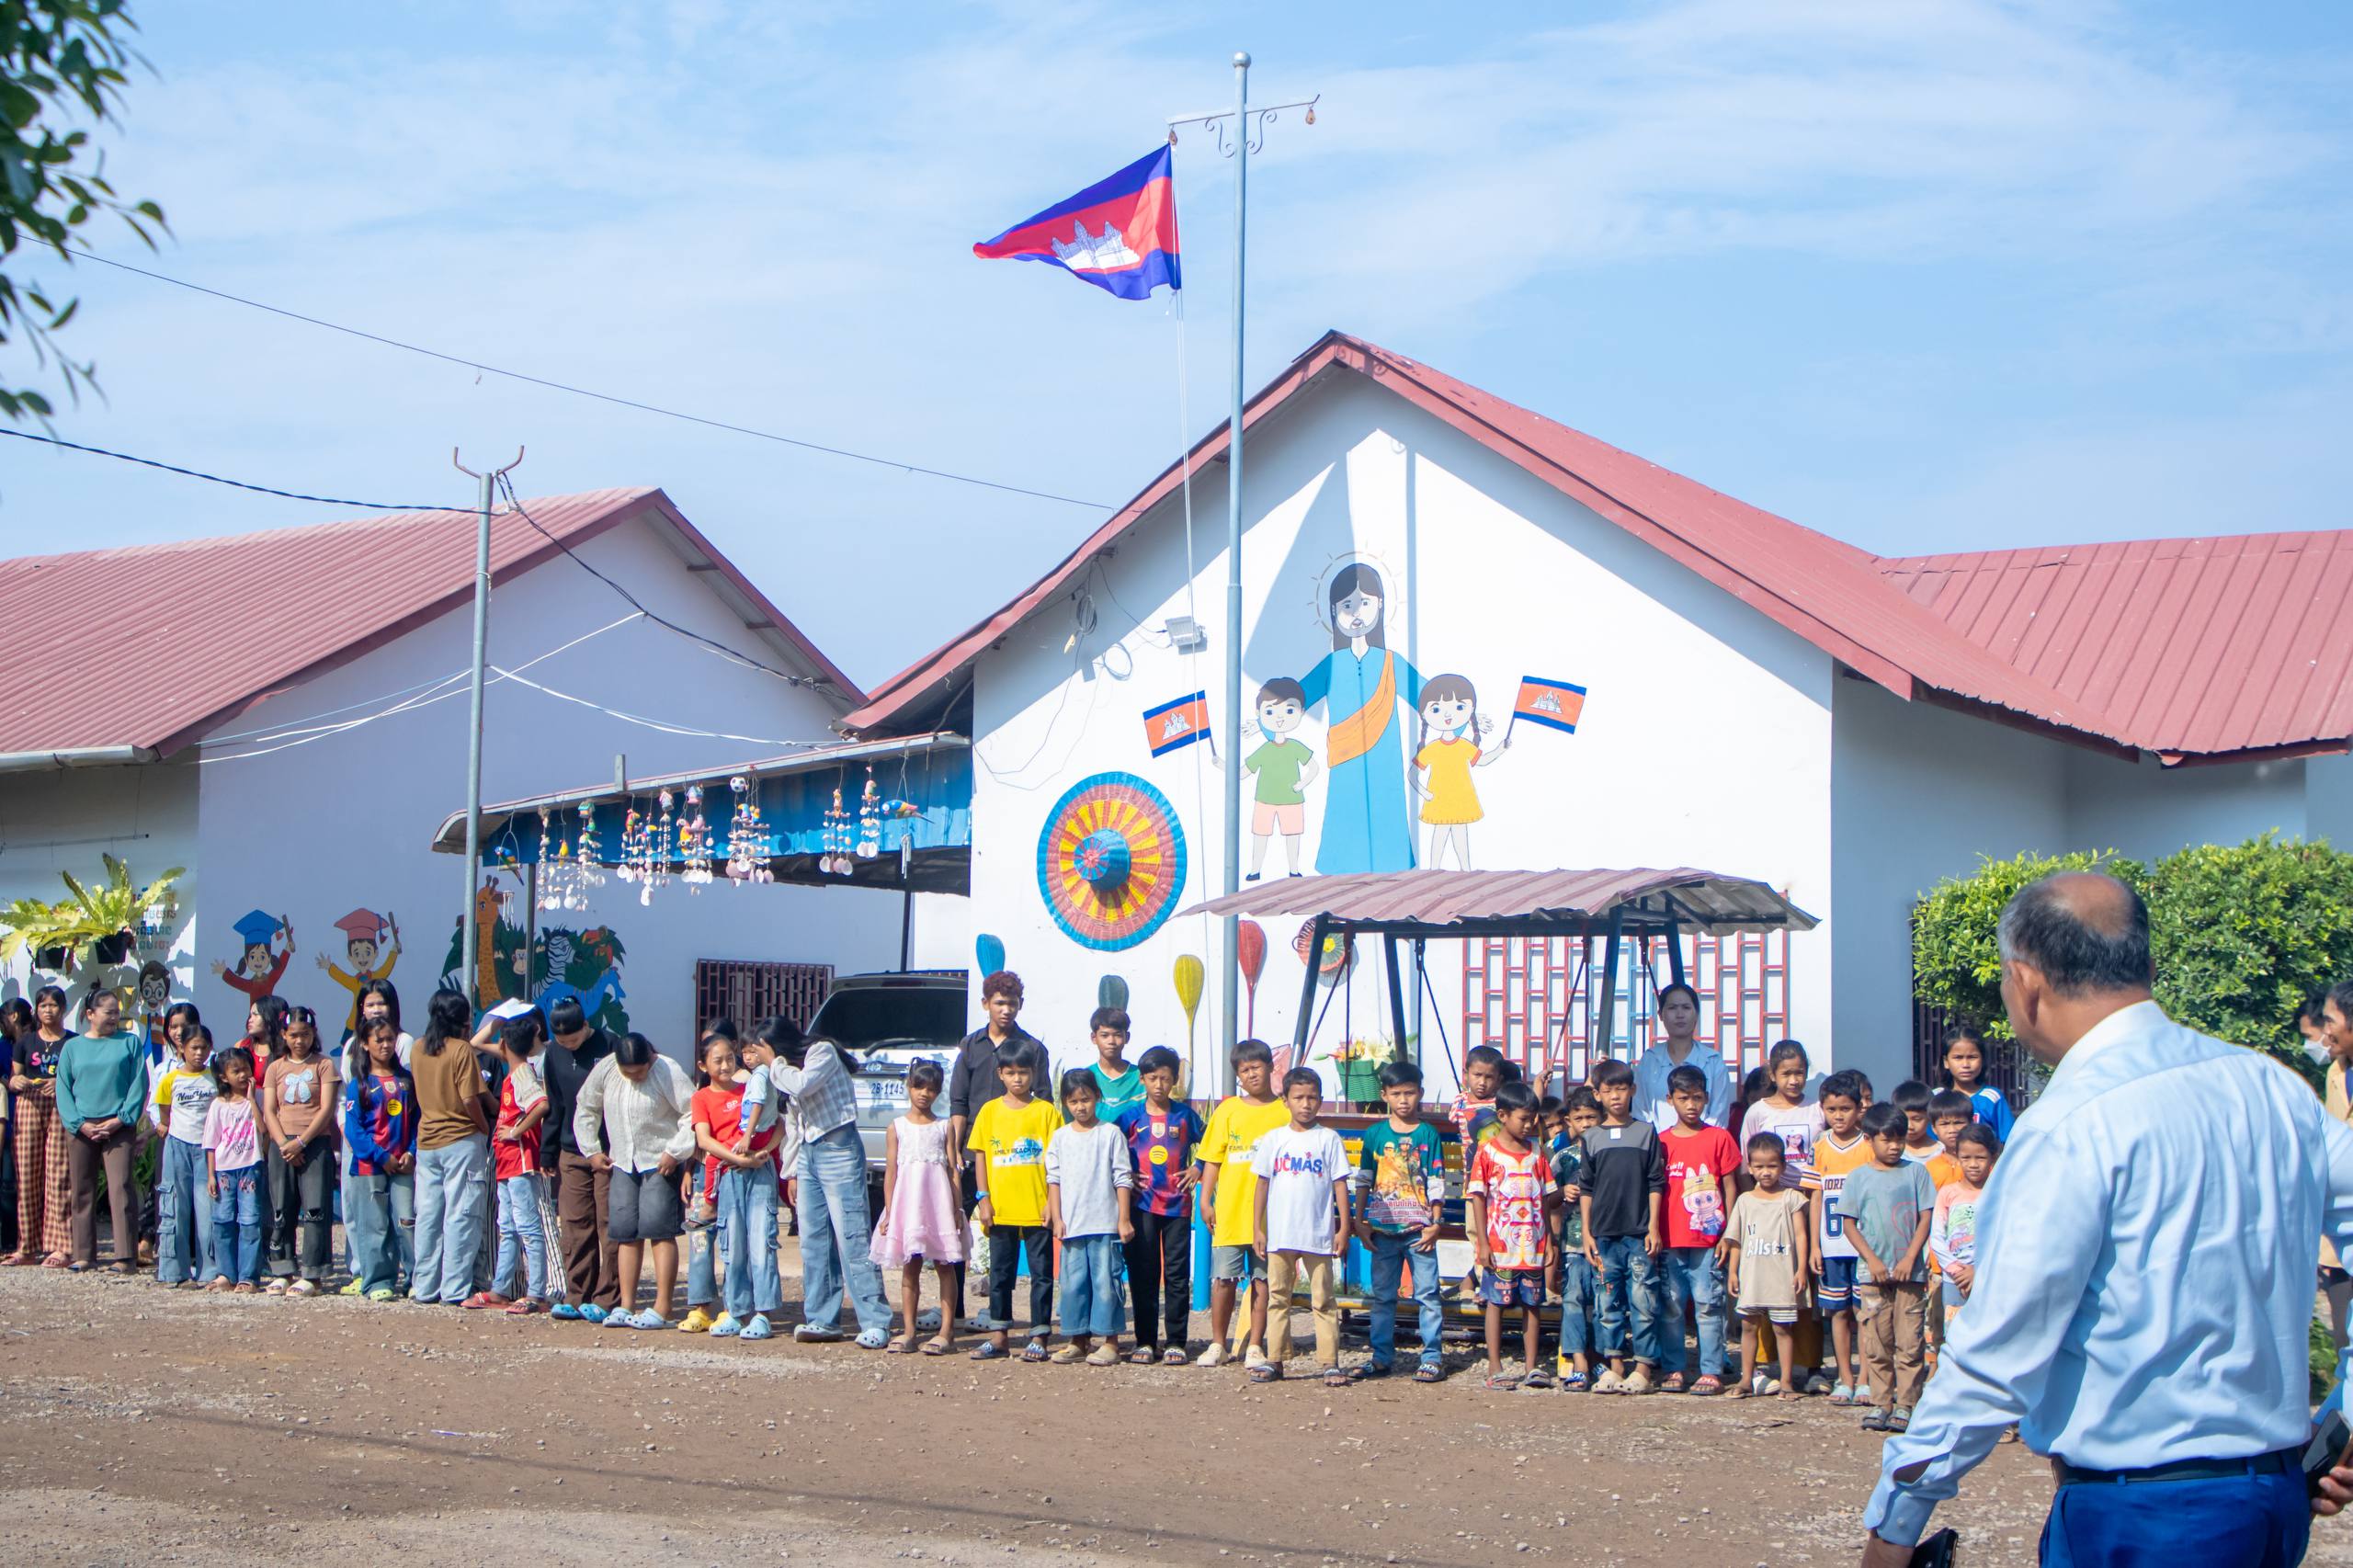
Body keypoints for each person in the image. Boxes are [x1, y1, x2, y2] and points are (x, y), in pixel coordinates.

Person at [1863, 871, 2353, 1567]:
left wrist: (1896, 1522)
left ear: (2024, 983)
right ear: (2146, 967)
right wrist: (2345, 1414)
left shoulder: (2069, 1125)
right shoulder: (2274, 1087)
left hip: (2141, 1513)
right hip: (2272, 1498)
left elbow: (1996, 1353)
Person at [767, 1023, 892, 1348]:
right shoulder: (786, 1072)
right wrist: (791, 1173)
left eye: (761, 1048)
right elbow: (794, 1126)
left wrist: (774, 1063)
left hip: (839, 1148)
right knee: (813, 1241)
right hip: (808, 1154)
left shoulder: (820, 1052)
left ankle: (875, 1321)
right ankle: (822, 1320)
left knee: (852, 1236)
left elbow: (804, 1085)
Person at [574, 1031, 695, 1330]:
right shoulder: (606, 1069)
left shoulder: (667, 1069)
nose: (634, 1077)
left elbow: (692, 1113)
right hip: (622, 1162)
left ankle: (663, 1307)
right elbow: (586, 1107)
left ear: (650, 1059)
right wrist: (591, 1150)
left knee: (660, 1231)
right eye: (627, 1072)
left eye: (639, 1072)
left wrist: (675, 1151)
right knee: (625, 1233)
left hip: (659, 1162)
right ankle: (626, 1305)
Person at [946, 971, 1046, 1327]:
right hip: (973, 1155)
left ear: (1021, 1005)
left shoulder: (1033, 1049)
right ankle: (953, 1310)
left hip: (1017, 1162)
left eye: (1012, 1003)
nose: (1006, 1009)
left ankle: (1009, 1317)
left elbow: (1043, 1103)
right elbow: (959, 1103)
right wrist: (954, 1154)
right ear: (985, 1004)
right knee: (957, 1228)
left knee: (1014, 1242)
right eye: (1000, 1003)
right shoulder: (970, 1046)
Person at [1248, 1066, 1354, 1386]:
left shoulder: (1328, 1139)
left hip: (1318, 1235)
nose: (1305, 1104)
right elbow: (1262, 1185)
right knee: (1278, 1297)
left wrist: (1343, 1227)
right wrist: (1257, 1228)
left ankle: (1330, 1362)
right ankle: (1276, 1359)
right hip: (1281, 1235)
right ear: (1286, 1100)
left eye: (1312, 1098)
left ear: (1320, 1100)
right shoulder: (1274, 1139)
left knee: (1323, 1300)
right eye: (1298, 1097)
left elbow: (1340, 1185)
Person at [967, 1039, 1062, 1361]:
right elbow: (981, 1155)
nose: (1018, 1079)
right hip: (1001, 1209)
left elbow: (1056, 1161)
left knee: (1041, 1274)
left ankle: (1039, 1335)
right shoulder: (989, 1111)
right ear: (1000, 1074)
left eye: (1024, 1072)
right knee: (1000, 1274)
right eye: (1011, 1072)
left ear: (1033, 1073)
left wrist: (1052, 1202)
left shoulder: (1046, 1112)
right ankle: (999, 1335)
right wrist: (983, 1199)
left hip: (1038, 1209)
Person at [1842, 1103, 1934, 1434]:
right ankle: (1881, 1403)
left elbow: (1926, 1217)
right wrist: (1873, 1260)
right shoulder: (1858, 1177)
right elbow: (1849, 1224)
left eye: (1900, 1139)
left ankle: (1907, 1404)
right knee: (1876, 1342)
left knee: (1910, 1343)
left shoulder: (1916, 1173)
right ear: (1869, 1139)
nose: (1895, 1146)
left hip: (1911, 1275)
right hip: (1873, 1276)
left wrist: (1910, 1258)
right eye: (1887, 1140)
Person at [1197, 1038, 1288, 1368]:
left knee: (1263, 1280)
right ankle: (1218, 1344)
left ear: (1270, 1067)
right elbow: (1212, 1159)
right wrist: (1205, 1200)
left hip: (1270, 1217)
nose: (1251, 1074)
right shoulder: (1227, 1110)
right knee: (1224, 1280)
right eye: (1244, 1070)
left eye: (1256, 1067)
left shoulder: (1284, 1111)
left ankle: (1255, 1345)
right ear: (1238, 1075)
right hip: (1231, 1212)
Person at [1355, 1058, 1447, 1383]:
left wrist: (1436, 1222)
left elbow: (1436, 1179)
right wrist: (1359, 1220)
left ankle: (1432, 1357)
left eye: (1409, 1093)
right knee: (1383, 1296)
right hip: (1382, 1229)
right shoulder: (1375, 1134)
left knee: (1428, 1295)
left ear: (1420, 1093)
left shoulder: (1428, 1134)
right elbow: (1364, 1179)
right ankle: (1381, 1357)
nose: (1404, 1100)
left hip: (1420, 1230)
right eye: (1396, 1094)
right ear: (1384, 1095)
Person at [1113, 1045, 1203, 1366]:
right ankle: (1145, 1341)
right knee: (1144, 1274)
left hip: (1178, 1206)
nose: (1159, 1085)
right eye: (1153, 1078)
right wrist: (1126, 1174)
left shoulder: (1186, 1116)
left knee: (1177, 1275)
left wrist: (1198, 1168)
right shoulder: (1128, 1118)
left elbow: (1211, 1144)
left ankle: (1176, 1341)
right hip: (1142, 1206)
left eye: (1165, 1079)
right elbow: (1111, 1151)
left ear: (1175, 1080)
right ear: (1142, 1079)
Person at [1579, 1057, 1665, 1393]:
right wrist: (1587, 1233)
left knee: (1643, 1300)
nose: (1615, 1096)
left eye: (1621, 1088)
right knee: (1607, 1303)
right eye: (1608, 1090)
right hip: (1604, 1235)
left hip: (1639, 1233)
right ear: (1597, 1094)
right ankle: (1614, 1366)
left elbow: (1656, 1182)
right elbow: (1586, 1188)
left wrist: (1654, 1227)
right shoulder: (1591, 1137)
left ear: (1633, 1090)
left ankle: (1643, 1368)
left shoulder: (1646, 1133)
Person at [689, 1031, 781, 1339]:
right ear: (703, 1066)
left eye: (730, 1058)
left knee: (762, 1242)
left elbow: (778, 1124)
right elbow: (704, 1141)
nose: (726, 1065)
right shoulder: (701, 1098)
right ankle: (737, 1311)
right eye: (718, 1060)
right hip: (728, 1175)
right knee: (734, 1246)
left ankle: (763, 1314)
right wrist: (740, 1159)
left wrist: (764, 1151)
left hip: (760, 1173)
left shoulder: (750, 1087)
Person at [1466, 1078, 1556, 1390]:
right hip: (1499, 1244)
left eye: (1533, 1119)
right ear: (1503, 1115)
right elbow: (1478, 1197)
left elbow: (1545, 1197)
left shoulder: (1537, 1153)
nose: (1530, 1125)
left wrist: (1549, 1240)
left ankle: (1532, 1367)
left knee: (1533, 1303)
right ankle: (1495, 1366)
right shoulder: (1487, 1153)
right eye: (1524, 1119)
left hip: (1533, 1243)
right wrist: (1483, 1243)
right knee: (1496, 1302)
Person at [409, 989, 494, 1308]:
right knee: (462, 1215)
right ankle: (455, 1289)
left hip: (427, 1141)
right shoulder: (461, 1050)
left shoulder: (418, 1048)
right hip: (461, 1139)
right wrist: (484, 1128)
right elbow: (470, 1099)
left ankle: (425, 1287)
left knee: (428, 1216)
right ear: (462, 1020)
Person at [870, 1059, 962, 1356]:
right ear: (909, 1086)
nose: (924, 1094)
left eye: (931, 1089)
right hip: (908, 1207)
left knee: (945, 1265)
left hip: (939, 1206)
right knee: (910, 1267)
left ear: (938, 1092)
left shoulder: (944, 1126)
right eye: (919, 1087)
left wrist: (957, 1209)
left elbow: (952, 1170)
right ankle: (909, 1331)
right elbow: (891, 1172)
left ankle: (946, 1332)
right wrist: (889, 1212)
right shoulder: (896, 1127)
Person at [1657, 1062, 1738, 1394]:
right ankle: (1673, 1367)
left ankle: (1711, 1369)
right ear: (1670, 1100)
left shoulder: (1719, 1138)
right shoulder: (1661, 1142)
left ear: (1706, 1098)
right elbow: (1654, 1190)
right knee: (1672, 1305)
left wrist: (1730, 1233)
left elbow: (1730, 1186)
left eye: (1697, 1098)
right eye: (1683, 1098)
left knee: (1709, 1303)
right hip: (1670, 1238)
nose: (1691, 1105)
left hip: (1709, 1240)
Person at [1044, 1070, 1133, 1366]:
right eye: (1073, 1101)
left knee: (1106, 1283)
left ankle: (1110, 1342)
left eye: (1085, 1099)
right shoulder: (1060, 1137)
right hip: (1072, 1226)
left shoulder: (1110, 1134)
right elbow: (1053, 1179)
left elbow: (1122, 1178)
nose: (1080, 1107)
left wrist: (1123, 1219)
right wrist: (1057, 1217)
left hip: (1105, 1224)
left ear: (1097, 1096)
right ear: (1064, 1103)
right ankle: (1077, 1340)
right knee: (1073, 1285)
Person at [57, 988, 148, 1273]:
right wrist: (79, 1124)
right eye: (108, 1012)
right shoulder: (72, 1047)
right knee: (81, 1189)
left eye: (117, 1013)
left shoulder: (129, 1043)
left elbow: (139, 1084)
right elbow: (63, 1089)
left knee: (121, 1188)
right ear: (90, 1014)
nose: (114, 1018)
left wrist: (121, 1119)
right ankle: (84, 1254)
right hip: (81, 1127)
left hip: (118, 1126)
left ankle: (125, 1256)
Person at [540, 995, 619, 1322]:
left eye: (573, 1040)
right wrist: (547, 1150)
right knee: (575, 1223)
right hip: (571, 1150)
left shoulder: (610, 1045)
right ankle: (577, 1294)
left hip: (608, 1150)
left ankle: (608, 1296)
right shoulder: (552, 1053)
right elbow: (555, 1102)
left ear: (586, 1026)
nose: (568, 1047)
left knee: (608, 1223)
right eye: (562, 1042)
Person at [258, 1005, 337, 1295]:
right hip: (282, 1146)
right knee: (282, 1208)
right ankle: (282, 1269)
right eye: (293, 1035)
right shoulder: (275, 1068)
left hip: (314, 1143)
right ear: (284, 1035)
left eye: (305, 1034)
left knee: (315, 1208)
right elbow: (269, 1110)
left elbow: (326, 1108)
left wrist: (301, 1142)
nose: (299, 1040)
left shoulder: (324, 1065)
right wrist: (284, 1144)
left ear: (313, 1033)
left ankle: (313, 1273)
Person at [475, 1013, 551, 1315]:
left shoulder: (521, 1075)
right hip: (507, 1162)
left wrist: (516, 1131)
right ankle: (500, 1289)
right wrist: (500, 1024)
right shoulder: (515, 1068)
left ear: (504, 1045)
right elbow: (476, 1044)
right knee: (507, 1228)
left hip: (520, 1161)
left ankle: (536, 1293)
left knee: (528, 1228)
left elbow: (541, 1104)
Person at [1723, 1133, 1808, 1402]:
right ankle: (1746, 1379)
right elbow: (1736, 1240)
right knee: (1749, 1327)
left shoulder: (1792, 1198)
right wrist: (1733, 1272)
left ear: (1783, 1166)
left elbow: (1801, 1235)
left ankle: (1786, 1382)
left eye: (1772, 1165)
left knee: (1783, 1328)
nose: (1765, 1172)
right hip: (1752, 1277)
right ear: (1749, 1167)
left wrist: (1801, 1269)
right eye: (1759, 1166)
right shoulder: (1744, 1200)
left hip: (1782, 1277)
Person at [1805, 1071, 1870, 1403]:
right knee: (1838, 1312)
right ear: (1823, 1109)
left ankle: (1867, 1378)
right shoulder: (1820, 1146)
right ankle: (1845, 1377)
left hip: (1863, 1248)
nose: (1839, 1116)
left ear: (1859, 1109)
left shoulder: (1869, 1145)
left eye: (1846, 1109)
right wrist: (1814, 1246)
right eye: (1832, 1110)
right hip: (1831, 1247)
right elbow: (1815, 1197)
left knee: (1864, 1313)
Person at [341, 1016, 415, 1301]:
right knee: (374, 1225)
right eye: (379, 1040)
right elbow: (354, 1130)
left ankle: (414, 1279)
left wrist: (411, 1151)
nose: (385, 1045)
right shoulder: (359, 1084)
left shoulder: (406, 1081)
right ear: (365, 1043)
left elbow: (417, 1121)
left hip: (402, 1165)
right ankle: (377, 1282)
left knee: (406, 1222)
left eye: (390, 1039)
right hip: (369, 1167)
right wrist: (380, 1156)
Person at [6, 984, 73, 1267]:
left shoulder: (72, 1042)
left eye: (54, 1005)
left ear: (63, 1009)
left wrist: (59, 1083)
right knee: (27, 1175)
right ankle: (27, 1247)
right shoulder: (25, 1042)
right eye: (43, 1005)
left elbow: (79, 1077)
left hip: (60, 1104)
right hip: (29, 1103)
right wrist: (16, 1081)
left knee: (59, 1175)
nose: (48, 1010)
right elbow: (14, 1078)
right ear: (36, 1010)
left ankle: (61, 1247)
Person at [153, 1016, 218, 1288]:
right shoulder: (171, 1079)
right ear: (182, 1049)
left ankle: (210, 1271)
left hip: (207, 1149)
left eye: (204, 1048)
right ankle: (174, 1271)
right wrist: (166, 1125)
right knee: (175, 1208)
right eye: (194, 1048)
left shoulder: (215, 1078)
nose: (199, 1053)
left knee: (207, 1211)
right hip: (177, 1146)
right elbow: (164, 1110)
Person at [1550, 1086, 1603, 1389]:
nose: (1586, 1124)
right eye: (1579, 1118)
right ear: (1569, 1121)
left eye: (1591, 1117)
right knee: (1573, 1299)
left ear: (1602, 1117)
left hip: (1605, 1240)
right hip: (1572, 1241)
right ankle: (1578, 1360)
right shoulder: (1564, 1158)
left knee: (1603, 1301)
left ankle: (1601, 1357)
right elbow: (1546, 1200)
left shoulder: (1610, 1153)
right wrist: (1561, 1192)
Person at [202, 1046, 266, 1292]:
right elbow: (211, 1142)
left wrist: (252, 1099)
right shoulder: (218, 1105)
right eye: (235, 1071)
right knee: (222, 1221)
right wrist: (211, 1175)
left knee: (250, 1222)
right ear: (223, 1077)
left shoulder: (257, 1098)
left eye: (246, 1069)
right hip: (224, 1171)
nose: (242, 1075)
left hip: (250, 1167)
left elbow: (263, 1129)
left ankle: (248, 1276)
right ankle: (226, 1274)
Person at [1632, 983, 1733, 1131]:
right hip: (1658, 1143)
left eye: (1686, 1007)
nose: (1679, 1015)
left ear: (1696, 1014)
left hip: (1705, 1143)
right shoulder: (1649, 1060)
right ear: (1661, 1015)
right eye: (1672, 1008)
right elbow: (1641, 1112)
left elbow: (1719, 1116)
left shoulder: (1713, 1061)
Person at [1928, 1124, 1999, 1327]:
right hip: (1955, 1280)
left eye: (1981, 1158)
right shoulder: (1948, 1193)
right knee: (1954, 1330)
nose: (1973, 1164)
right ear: (1957, 1157)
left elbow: (2004, 1238)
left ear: (1993, 1158)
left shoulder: (1999, 1195)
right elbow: (1937, 1237)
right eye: (1966, 1158)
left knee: (1987, 1330)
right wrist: (1956, 1270)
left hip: (1990, 1277)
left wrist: (1979, 1270)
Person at [1938, 1024, 2015, 1142]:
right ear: (1946, 1062)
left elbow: (2009, 1139)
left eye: (1972, 1057)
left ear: (1982, 1060)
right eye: (1958, 1057)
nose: (1965, 1065)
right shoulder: (1936, 1098)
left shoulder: (1992, 1098)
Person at [1084, 1007, 1143, 1119]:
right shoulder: (1085, 1077)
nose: (1111, 1041)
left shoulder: (1141, 1076)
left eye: (1117, 1035)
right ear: (1094, 1038)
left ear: (1127, 1037)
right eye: (1104, 1035)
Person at [1451, 1044, 1503, 1156]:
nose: (1482, 1082)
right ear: (1466, 1074)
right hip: (1470, 1160)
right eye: (1477, 1075)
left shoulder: (1500, 1101)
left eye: (1489, 1077)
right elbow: (1452, 1121)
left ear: (1498, 1080)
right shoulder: (1460, 1100)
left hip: (1495, 1160)